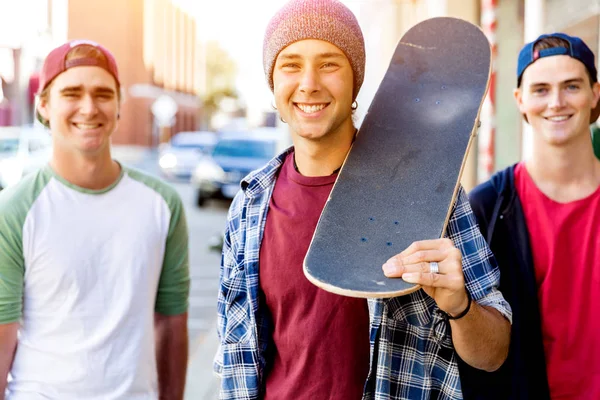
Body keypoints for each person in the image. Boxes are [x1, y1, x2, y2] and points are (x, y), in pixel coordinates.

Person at [214, 1, 511, 399]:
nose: (309, 83)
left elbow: (494, 353)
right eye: (290, 64)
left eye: (329, 64)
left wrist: (460, 306)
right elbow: (237, 358)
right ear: (272, 83)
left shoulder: (426, 189)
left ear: (355, 80)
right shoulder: (250, 205)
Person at [0, 40, 190, 400]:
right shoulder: (13, 210)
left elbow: (171, 324)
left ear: (119, 106)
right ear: (43, 105)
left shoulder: (163, 204)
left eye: (103, 94)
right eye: (72, 92)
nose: (89, 107)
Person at [465, 33, 600, 399]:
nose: (556, 102)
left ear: (595, 94)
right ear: (520, 100)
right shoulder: (487, 208)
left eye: (571, 86)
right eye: (541, 89)